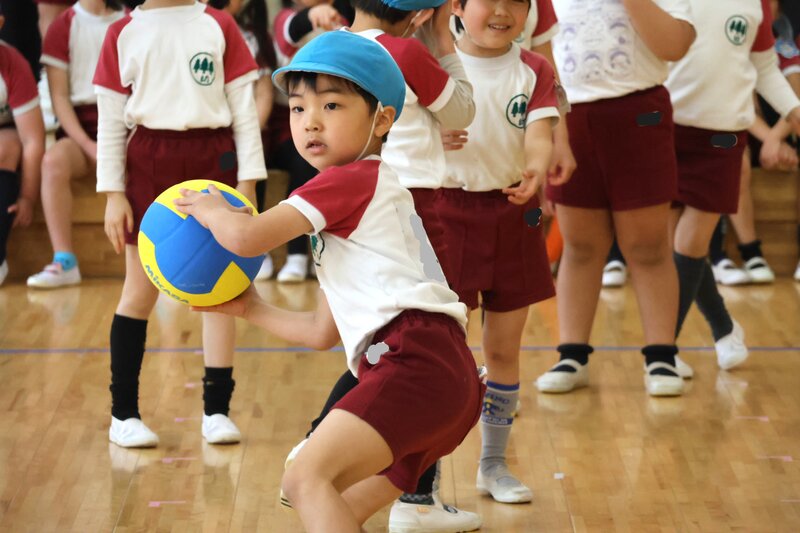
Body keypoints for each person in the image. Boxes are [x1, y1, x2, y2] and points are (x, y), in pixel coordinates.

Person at [175, 30, 484, 533]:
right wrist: (251, 308)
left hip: (413, 360)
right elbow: (323, 332)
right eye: (298, 108)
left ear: (382, 119)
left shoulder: (349, 180)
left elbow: (246, 238)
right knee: (338, 506)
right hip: (449, 377)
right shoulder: (368, 201)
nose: (310, 121)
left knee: (304, 480)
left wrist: (211, 209)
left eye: (332, 105)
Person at [92, 0, 266, 447]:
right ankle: (123, 414)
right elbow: (110, 121)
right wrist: (113, 193)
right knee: (138, 292)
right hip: (149, 160)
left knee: (221, 291)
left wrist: (248, 184)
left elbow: (245, 113)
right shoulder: (121, 33)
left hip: (214, 159)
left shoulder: (218, 24)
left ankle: (217, 411)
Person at [435, 0, 562, 505]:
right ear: (458, 6)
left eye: (517, 2)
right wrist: (431, 136)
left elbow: (540, 133)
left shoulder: (534, 69)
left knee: (505, 350)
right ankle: (422, 475)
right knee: (442, 352)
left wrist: (536, 168)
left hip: (514, 215)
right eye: (490, 0)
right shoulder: (435, 65)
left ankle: (493, 465)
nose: (503, 11)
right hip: (445, 214)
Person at [537, 0, 696, 397]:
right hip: (569, 118)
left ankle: (661, 355)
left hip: (640, 113)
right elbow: (536, 54)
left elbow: (675, 45)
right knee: (580, 245)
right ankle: (571, 354)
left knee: (647, 245)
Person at [664, 0, 800, 372]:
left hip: (722, 137)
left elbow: (765, 67)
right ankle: (724, 328)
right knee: (680, 250)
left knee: (689, 244)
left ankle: (662, 353)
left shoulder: (756, 4)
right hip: (666, 131)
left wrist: (794, 111)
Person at [27, 0, 127, 289]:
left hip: (125, 123)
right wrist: (88, 144)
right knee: (52, 162)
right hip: (81, 127)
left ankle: (159, 261)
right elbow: (59, 96)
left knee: (153, 157)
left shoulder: (130, 21)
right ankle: (65, 260)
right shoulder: (62, 26)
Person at [269, 0, 352, 282]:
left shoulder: (344, 20)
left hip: (335, 121)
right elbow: (291, 29)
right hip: (289, 128)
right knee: (304, 158)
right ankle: (296, 255)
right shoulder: (284, 18)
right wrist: (312, 15)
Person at [204, 0, 278, 280]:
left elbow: (263, 93)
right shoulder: (194, 30)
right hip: (209, 133)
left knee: (251, 161)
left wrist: (247, 134)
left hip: (247, 130)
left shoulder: (252, 37)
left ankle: (256, 246)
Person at [0, 6, 46, 287]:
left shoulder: (12, 63)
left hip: (7, 135)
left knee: (8, 146)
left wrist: (28, 196)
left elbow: (33, 140)